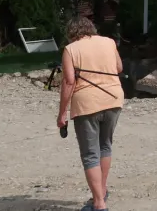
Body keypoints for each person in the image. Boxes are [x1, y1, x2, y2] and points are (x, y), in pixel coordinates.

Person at [57, 16, 124, 211]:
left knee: (90, 154)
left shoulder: (71, 50)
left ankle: (99, 203)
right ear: (91, 28)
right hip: (113, 99)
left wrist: (62, 113)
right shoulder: (109, 42)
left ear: (71, 33)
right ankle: (101, 191)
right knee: (105, 146)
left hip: (87, 104)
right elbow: (119, 68)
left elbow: (69, 82)